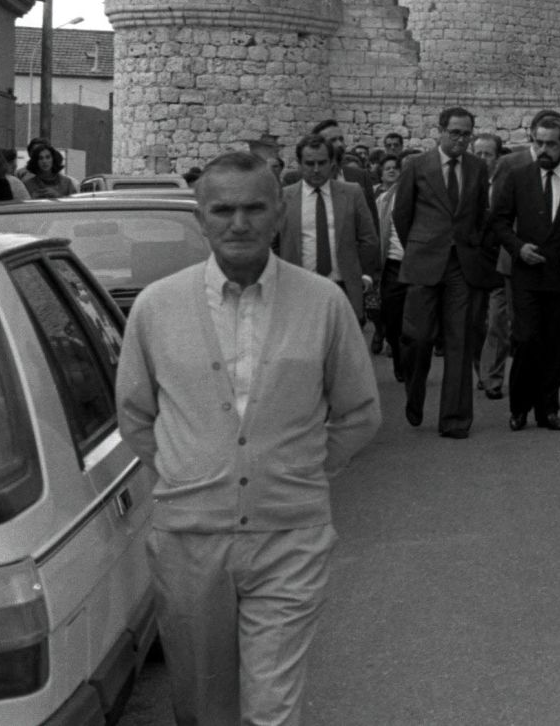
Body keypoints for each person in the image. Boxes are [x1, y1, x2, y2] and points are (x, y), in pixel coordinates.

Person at [116, 151, 380, 725]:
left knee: (270, 707)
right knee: (203, 705)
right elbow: (135, 415)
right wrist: (187, 475)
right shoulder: (157, 308)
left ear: (279, 212)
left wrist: (298, 470)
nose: (240, 223)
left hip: (290, 535)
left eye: (255, 207)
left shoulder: (323, 303)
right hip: (190, 539)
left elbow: (359, 411)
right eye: (223, 209)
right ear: (201, 216)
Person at [491, 114, 560, 431]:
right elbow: (498, 221)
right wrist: (517, 248)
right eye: (538, 142)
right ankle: (519, 408)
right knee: (526, 339)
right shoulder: (517, 176)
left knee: (555, 344)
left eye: (550, 144)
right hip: (527, 274)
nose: (543, 149)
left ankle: (547, 409)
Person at [393, 106, 492, 438]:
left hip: (461, 266)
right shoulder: (417, 166)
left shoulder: (478, 168)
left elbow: (481, 214)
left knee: (459, 341)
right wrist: (420, 246)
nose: (461, 140)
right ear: (440, 131)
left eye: (467, 134)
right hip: (424, 261)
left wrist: (473, 246)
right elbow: (402, 213)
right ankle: (415, 393)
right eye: (456, 133)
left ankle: (455, 419)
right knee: (417, 338)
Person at [274, 134, 380, 332]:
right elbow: (274, 242)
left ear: (332, 163)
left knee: (344, 354)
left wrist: (365, 275)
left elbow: (368, 238)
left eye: (322, 163)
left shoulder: (352, 193)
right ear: (299, 164)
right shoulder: (284, 197)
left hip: (343, 287)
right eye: (310, 163)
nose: (316, 169)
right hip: (298, 287)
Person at [468, 133, 513, 400]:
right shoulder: (463, 184)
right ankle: (481, 371)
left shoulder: (509, 185)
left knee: (498, 321)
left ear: (498, 158)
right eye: (478, 153)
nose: (482, 159)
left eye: (487, 154)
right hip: (472, 262)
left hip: (500, 261)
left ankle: (493, 377)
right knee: (474, 323)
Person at [372, 154, 406, 365]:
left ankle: (412, 363)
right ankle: (398, 354)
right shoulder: (383, 200)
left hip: (417, 265)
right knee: (392, 318)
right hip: (393, 264)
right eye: (388, 168)